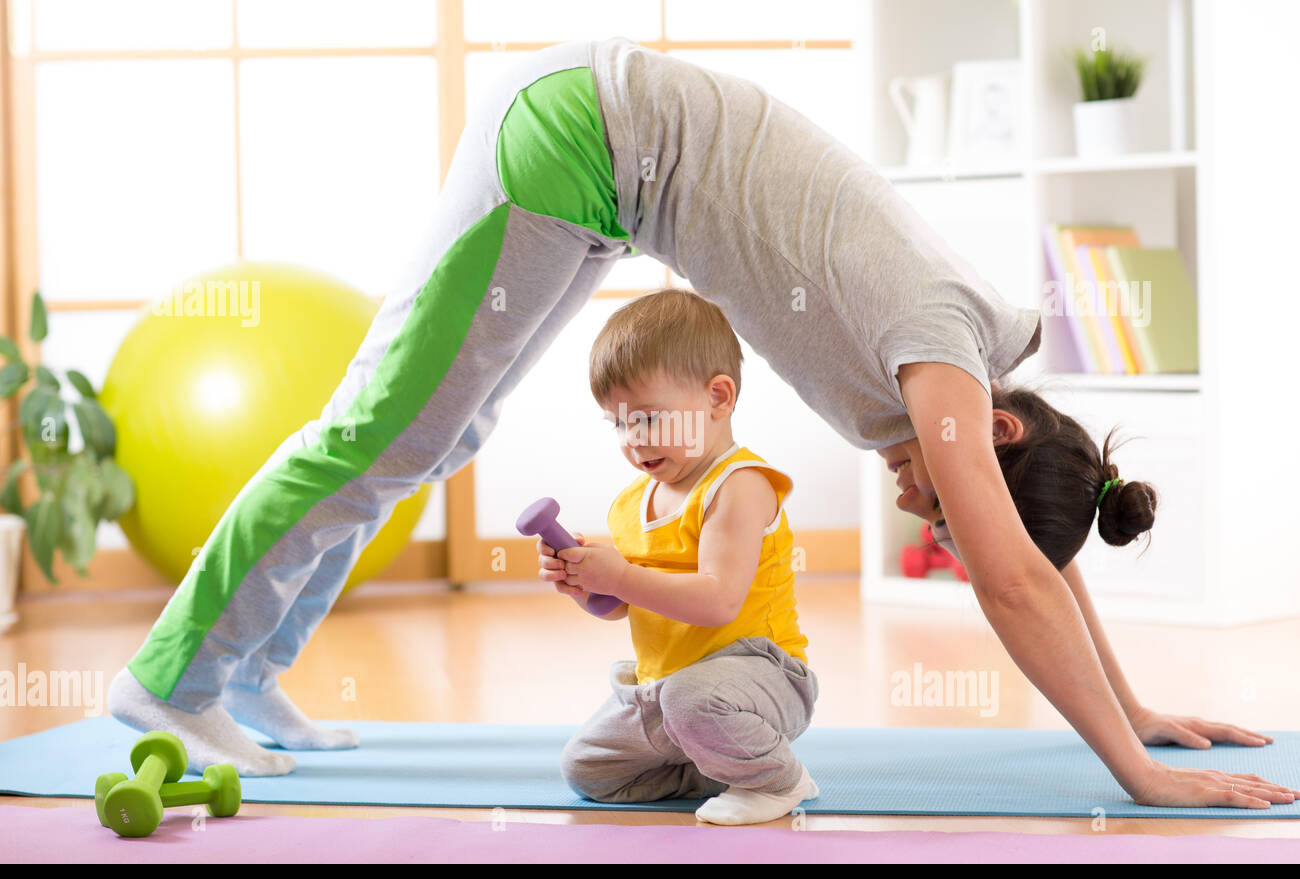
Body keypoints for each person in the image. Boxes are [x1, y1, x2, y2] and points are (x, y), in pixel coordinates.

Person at [107, 37, 1298, 811]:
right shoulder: (941, 359)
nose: (912, 505)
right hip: (578, 137)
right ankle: (173, 677)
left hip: (604, 171)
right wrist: (1131, 772)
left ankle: (247, 670)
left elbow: (1027, 558)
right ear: (995, 437)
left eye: (926, 512)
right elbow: (1011, 579)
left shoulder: (971, 392)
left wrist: (1138, 707)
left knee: (439, 437)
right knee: (386, 430)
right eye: (939, 499)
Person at [539, 289, 817, 826]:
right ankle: (717, 761)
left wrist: (620, 575)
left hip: (760, 677)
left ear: (718, 397)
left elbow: (717, 601)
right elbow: (628, 605)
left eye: (647, 417)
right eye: (618, 423)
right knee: (589, 769)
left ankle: (779, 779)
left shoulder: (740, 485)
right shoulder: (631, 503)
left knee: (693, 701)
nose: (632, 439)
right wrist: (589, 588)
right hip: (668, 690)